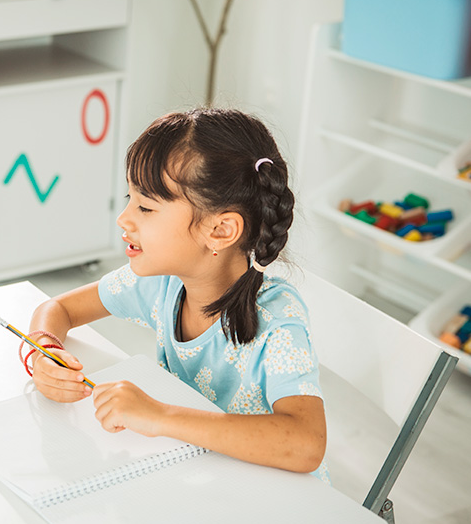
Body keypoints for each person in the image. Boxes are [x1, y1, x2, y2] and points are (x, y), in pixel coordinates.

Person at [25, 108, 328, 480]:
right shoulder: (161, 284)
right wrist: (45, 353)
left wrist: (158, 415)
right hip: (200, 481)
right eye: (129, 197)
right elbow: (58, 308)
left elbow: (306, 445)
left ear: (219, 231)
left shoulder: (277, 321)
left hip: (276, 508)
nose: (124, 218)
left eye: (146, 207)